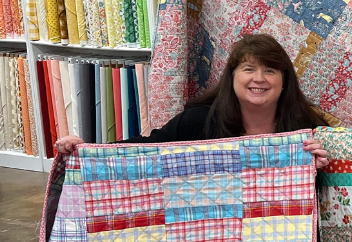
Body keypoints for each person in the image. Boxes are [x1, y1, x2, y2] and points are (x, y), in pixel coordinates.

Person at [54, 34, 330, 169]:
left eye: (270, 70)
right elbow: (146, 148)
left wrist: (321, 169)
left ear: (284, 81)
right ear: (232, 77)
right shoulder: (199, 121)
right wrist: (87, 149)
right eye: (248, 69)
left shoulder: (305, 127)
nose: (259, 78)